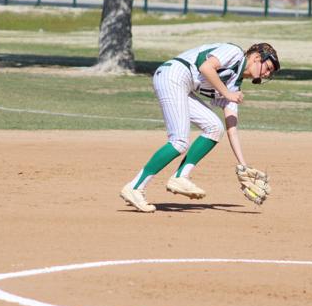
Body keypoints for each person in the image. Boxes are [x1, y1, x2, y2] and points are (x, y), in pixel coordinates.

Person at [120, 42, 280, 212]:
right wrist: (227, 94)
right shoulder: (234, 53)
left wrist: (243, 165)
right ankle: (135, 187)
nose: (267, 73)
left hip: (182, 84)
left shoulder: (234, 84)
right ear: (256, 57)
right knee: (179, 142)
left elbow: (231, 128)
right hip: (173, 74)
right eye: (268, 67)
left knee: (214, 127)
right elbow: (206, 67)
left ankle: (180, 176)